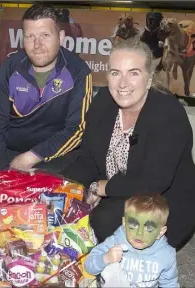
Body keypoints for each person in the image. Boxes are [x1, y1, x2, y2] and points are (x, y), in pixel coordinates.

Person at [62, 39, 195, 249]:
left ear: (149, 79)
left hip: (161, 204)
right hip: (118, 191)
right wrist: (66, 187)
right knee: (61, 203)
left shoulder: (169, 114)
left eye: (134, 73)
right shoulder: (103, 102)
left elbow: (153, 183)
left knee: (102, 221)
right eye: (115, 73)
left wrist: (101, 188)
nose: (123, 84)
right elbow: (87, 158)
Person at [0, 3, 92, 173]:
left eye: (45, 35)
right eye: (30, 36)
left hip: (58, 158)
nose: (37, 44)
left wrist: (33, 156)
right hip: (10, 157)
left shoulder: (78, 71)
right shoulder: (10, 68)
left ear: (61, 37)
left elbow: (77, 129)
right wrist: (1, 172)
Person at [84, 194, 179, 287]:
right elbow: (89, 266)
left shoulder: (166, 255)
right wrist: (105, 258)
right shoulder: (114, 242)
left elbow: (169, 283)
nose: (139, 233)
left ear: (160, 232)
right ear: (124, 224)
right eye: (133, 225)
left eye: (149, 228)